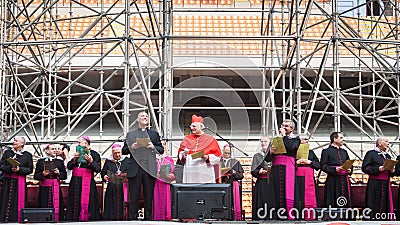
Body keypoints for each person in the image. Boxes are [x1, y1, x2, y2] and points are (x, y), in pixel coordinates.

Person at [122, 111, 164, 220]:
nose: (145, 117)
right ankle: (132, 218)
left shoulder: (154, 134)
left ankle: (148, 218)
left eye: (146, 116)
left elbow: (161, 150)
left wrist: (152, 146)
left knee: (148, 195)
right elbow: (124, 150)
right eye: (142, 116)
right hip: (135, 167)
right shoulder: (130, 134)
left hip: (149, 168)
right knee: (134, 195)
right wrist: (133, 146)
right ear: (137, 119)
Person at [267, 120, 301, 220]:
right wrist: (271, 153)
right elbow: (267, 159)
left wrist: (284, 136)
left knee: (289, 189)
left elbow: (291, 148)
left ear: (292, 129)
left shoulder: (295, 139)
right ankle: (276, 215)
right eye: (282, 125)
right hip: (276, 169)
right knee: (275, 191)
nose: (284, 127)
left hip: (288, 168)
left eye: (286, 126)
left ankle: (290, 213)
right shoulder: (275, 140)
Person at [66, 136, 102, 221]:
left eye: (79, 142)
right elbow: (69, 167)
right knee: (75, 200)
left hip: (88, 181)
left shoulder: (94, 154)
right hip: (76, 181)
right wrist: (74, 160)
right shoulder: (77, 153)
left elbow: (98, 169)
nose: (78, 144)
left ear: (86, 143)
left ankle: (88, 217)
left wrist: (91, 161)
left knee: (89, 201)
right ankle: (74, 218)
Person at [178, 114, 222, 183]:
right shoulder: (187, 139)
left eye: (194, 126)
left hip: (205, 169)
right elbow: (180, 156)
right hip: (190, 170)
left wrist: (207, 157)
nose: (191, 128)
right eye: (191, 126)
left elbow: (218, 157)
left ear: (201, 127)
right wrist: (184, 153)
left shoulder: (210, 139)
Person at [0, 136, 33, 222]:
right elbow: (1, 165)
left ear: (22, 143)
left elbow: (30, 169)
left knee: (18, 202)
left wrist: (19, 169)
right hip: (7, 182)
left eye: (16, 141)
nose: (14, 142)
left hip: (20, 182)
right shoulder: (7, 153)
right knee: (5, 201)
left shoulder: (27, 155)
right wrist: (10, 169)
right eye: (14, 140)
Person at [363, 137, 394, 220]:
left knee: (385, 204)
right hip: (375, 183)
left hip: (386, 183)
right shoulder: (371, 153)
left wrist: (391, 170)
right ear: (379, 143)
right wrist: (378, 169)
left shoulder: (387, 156)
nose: (388, 143)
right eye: (386, 141)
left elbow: (391, 173)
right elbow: (365, 168)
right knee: (374, 203)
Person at [34, 144, 67, 221]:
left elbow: (64, 176)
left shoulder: (59, 162)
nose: (55, 150)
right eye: (52, 149)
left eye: (55, 149)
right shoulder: (40, 161)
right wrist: (43, 174)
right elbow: (36, 176)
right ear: (47, 151)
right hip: (44, 188)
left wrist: (58, 173)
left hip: (56, 187)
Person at [321, 131, 352, 208]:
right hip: (333, 180)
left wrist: (350, 170)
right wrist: (335, 169)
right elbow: (323, 166)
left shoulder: (344, 151)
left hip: (344, 179)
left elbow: (349, 163)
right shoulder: (326, 151)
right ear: (335, 139)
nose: (343, 139)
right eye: (341, 138)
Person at [294, 137, 320, 220]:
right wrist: (296, 162)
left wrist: (310, 162)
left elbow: (318, 165)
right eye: (304, 139)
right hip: (296, 176)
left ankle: (310, 216)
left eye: (307, 139)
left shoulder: (311, 152)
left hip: (309, 176)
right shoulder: (293, 151)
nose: (306, 141)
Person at [101, 143, 128, 221]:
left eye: (119, 152)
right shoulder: (108, 161)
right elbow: (103, 172)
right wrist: (104, 176)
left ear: (121, 152)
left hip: (124, 187)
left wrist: (125, 175)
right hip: (112, 187)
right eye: (115, 153)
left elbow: (131, 172)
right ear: (112, 153)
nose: (117, 154)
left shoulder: (127, 160)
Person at [251, 137, 273, 220]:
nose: (263, 143)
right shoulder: (257, 156)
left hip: (271, 183)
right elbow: (253, 171)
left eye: (265, 141)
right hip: (261, 182)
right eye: (262, 141)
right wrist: (259, 172)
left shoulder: (273, 155)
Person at [220, 144, 244, 220]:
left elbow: (241, 176)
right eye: (225, 153)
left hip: (233, 185)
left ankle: (233, 217)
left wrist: (234, 173)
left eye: (228, 153)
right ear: (222, 151)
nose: (227, 155)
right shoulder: (218, 162)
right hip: (221, 185)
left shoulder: (235, 162)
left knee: (232, 203)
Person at [153, 151, 175, 220]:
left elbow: (173, 173)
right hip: (155, 184)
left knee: (166, 202)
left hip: (165, 183)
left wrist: (170, 176)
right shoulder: (153, 158)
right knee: (156, 202)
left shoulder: (169, 159)